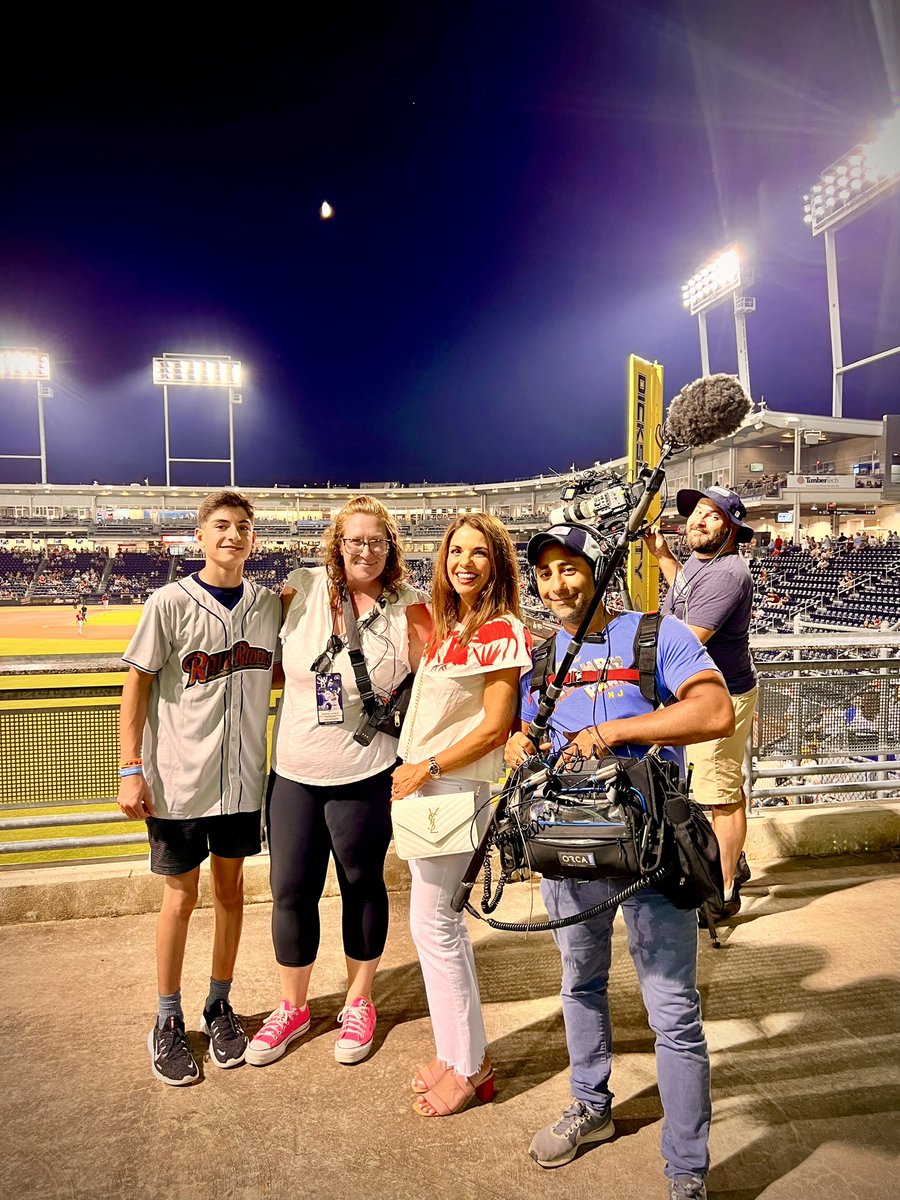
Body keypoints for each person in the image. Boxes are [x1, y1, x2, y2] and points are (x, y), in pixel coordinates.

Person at [505, 522, 734, 1199]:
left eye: (569, 568)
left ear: (597, 570)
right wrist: (523, 745)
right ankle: (591, 1106)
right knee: (579, 983)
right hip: (571, 849)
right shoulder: (545, 660)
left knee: (672, 1011)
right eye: (545, 574)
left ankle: (687, 1169)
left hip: (651, 853)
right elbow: (529, 731)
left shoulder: (651, 634)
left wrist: (614, 730)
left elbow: (714, 710)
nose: (557, 585)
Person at [247, 497, 432, 1068]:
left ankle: (358, 1001)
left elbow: (431, 686)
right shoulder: (297, 590)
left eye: (376, 540)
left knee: (361, 884)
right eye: (355, 539)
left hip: (366, 772)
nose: (365, 550)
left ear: (390, 547)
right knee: (291, 891)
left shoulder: (410, 609)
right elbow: (265, 664)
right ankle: (292, 1007)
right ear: (337, 543)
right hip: (296, 773)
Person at [117, 490, 281, 1085]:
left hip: (240, 783)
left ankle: (218, 1004)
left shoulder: (269, 605)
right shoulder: (168, 601)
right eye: (221, 525)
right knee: (180, 899)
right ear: (200, 536)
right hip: (179, 781)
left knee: (232, 894)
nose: (232, 534)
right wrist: (130, 767)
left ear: (253, 539)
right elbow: (135, 685)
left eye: (242, 526)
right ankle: (166, 1017)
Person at [391, 514, 533, 1117]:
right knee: (431, 927)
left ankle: (471, 1066)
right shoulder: (452, 627)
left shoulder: (500, 628)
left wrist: (428, 769)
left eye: (479, 553)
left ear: (497, 563)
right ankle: (456, 1056)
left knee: (439, 929)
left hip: (451, 791)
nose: (464, 562)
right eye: (456, 551)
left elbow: (496, 726)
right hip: (429, 795)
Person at [643, 486, 757, 921]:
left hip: (721, 695)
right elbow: (686, 591)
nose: (698, 521)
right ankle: (730, 860)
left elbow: (690, 640)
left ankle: (723, 893)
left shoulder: (729, 572)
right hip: (695, 692)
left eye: (711, 515)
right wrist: (665, 559)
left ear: (731, 528)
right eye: (695, 514)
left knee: (720, 793)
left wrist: (631, 640)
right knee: (708, 785)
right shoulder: (699, 561)